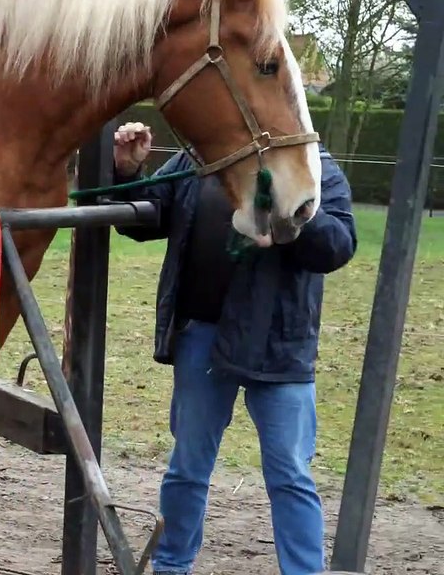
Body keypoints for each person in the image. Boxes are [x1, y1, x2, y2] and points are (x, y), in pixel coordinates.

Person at [111, 121, 357, 575]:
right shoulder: (197, 157)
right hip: (202, 339)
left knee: (290, 476)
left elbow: (339, 245)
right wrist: (128, 172)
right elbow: (146, 219)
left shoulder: (312, 165)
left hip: (280, 346)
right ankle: (170, 567)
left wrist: (296, 220)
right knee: (187, 467)